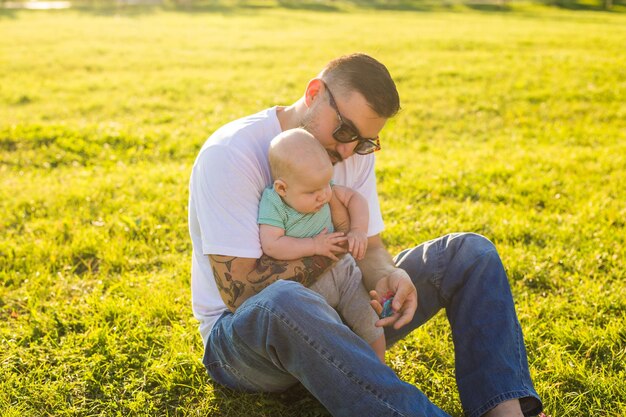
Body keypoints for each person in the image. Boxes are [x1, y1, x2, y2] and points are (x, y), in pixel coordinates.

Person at [188, 53, 544, 417]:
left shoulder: (352, 152)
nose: (348, 150)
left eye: (364, 142)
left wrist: (388, 274)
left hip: (342, 309)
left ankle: (505, 411)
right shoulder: (231, 154)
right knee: (285, 300)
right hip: (247, 345)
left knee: (469, 252)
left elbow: (370, 247)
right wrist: (332, 247)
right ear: (314, 94)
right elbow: (243, 294)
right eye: (344, 131)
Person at [258, 127, 386, 363]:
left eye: (327, 184)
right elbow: (272, 244)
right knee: (329, 332)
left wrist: (358, 229)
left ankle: (381, 366)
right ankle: (350, 371)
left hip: (344, 272)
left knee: (369, 318)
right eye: (313, 191)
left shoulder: (322, 185)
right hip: (309, 286)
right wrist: (314, 245)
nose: (324, 195)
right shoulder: (273, 203)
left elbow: (355, 198)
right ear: (282, 188)